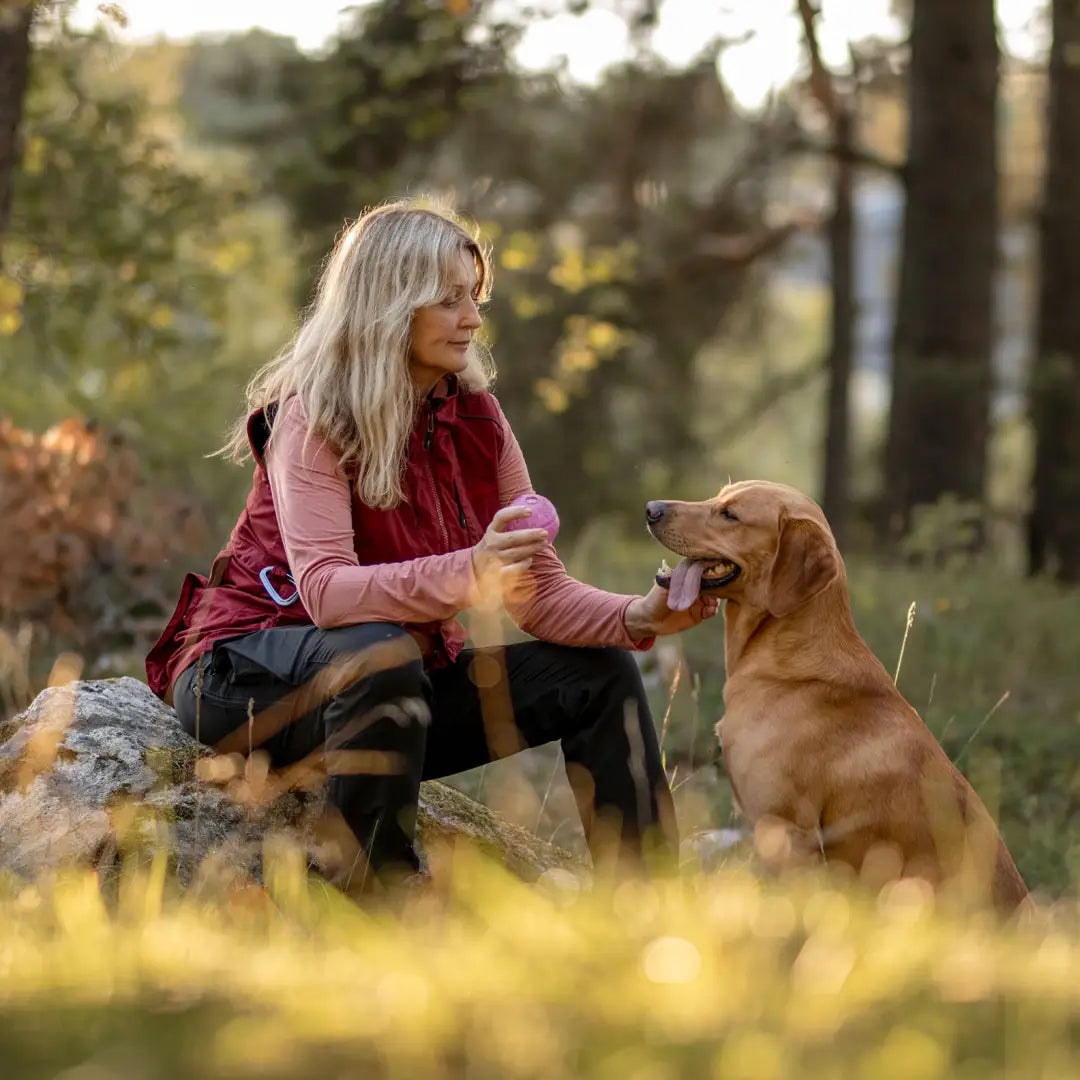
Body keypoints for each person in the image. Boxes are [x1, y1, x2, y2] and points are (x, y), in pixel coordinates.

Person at [146, 199, 718, 893]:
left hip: (385, 688)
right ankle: (375, 891)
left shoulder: (477, 418)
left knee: (601, 676)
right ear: (391, 303)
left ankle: (648, 904)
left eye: (472, 298)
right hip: (241, 679)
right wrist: (470, 570)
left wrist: (640, 616)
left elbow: (539, 593)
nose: (472, 319)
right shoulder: (314, 415)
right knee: (380, 650)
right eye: (448, 300)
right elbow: (327, 592)